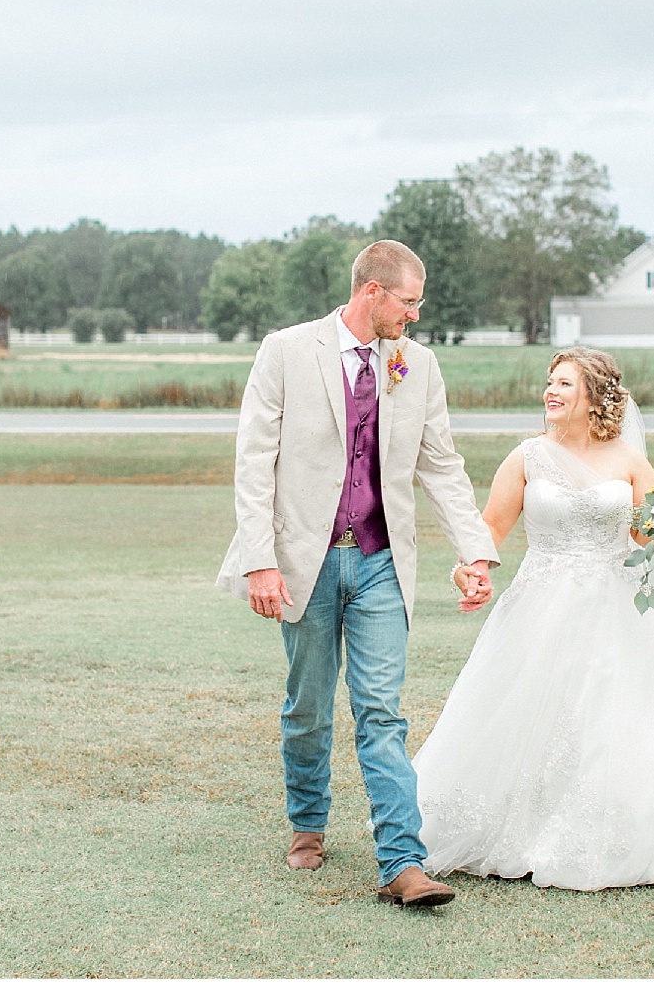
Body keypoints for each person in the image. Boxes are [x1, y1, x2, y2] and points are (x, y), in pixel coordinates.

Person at [214, 239, 500, 908]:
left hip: (379, 562)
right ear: (372, 291)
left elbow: (441, 464)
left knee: (381, 711)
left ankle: (403, 860)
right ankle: (307, 822)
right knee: (308, 707)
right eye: (409, 303)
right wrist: (259, 561)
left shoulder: (417, 365)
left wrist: (476, 550)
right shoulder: (286, 351)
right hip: (303, 564)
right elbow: (254, 462)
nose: (415, 317)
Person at [414, 347, 654, 891]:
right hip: (539, 604)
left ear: (594, 396)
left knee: (612, 717)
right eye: (549, 382)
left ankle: (615, 826)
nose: (550, 391)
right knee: (524, 713)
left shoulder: (629, 462)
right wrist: (467, 570)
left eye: (564, 384)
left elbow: (648, 537)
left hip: (615, 607)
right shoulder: (526, 457)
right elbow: (489, 529)